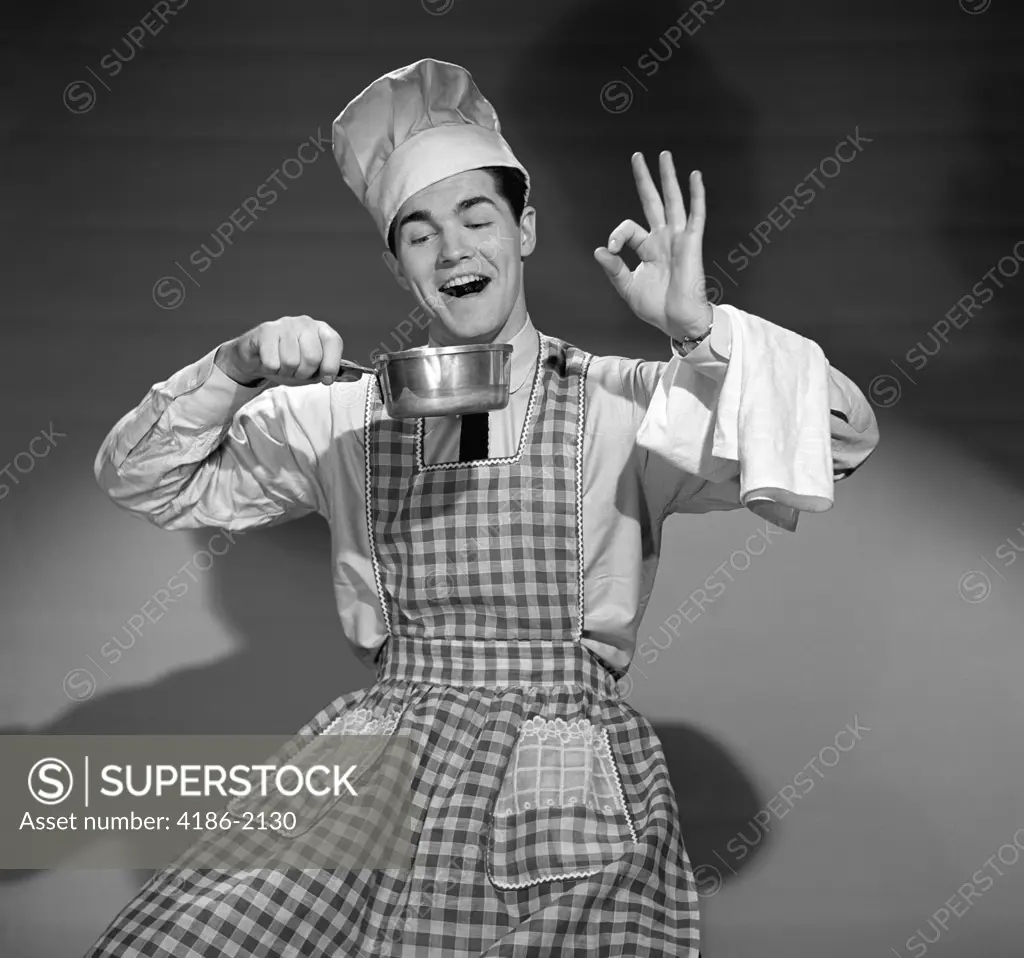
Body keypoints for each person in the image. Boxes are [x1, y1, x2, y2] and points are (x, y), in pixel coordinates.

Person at [86, 58, 878, 958]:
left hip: (560, 776)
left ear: (525, 229)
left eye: (477, 218)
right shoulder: (344, 414)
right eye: (419, 234)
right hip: (377, 762)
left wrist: (699, 331)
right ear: (397, 265)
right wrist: (233, 369)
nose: (454, 250)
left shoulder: (625, 402)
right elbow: (144, 478)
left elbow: (841, 441)